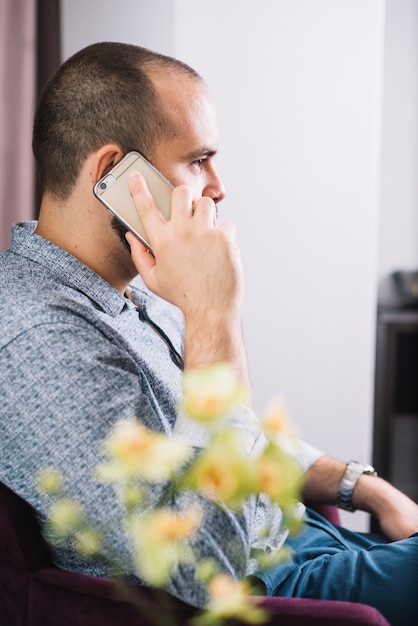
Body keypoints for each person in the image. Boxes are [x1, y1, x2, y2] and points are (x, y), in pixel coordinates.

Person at [0, 42, 417, 626]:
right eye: (198, 160)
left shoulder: (135, 287)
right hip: (272, 583)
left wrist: (364, 488)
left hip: (302, 539)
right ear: (112, 175)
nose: (218, 187)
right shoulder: (36, 340)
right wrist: (213, 315)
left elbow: (236, 436)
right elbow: (197, 569)